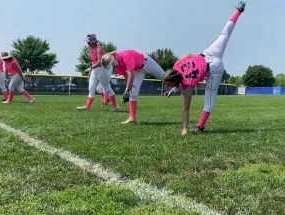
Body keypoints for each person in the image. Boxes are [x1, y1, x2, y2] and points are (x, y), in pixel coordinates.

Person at [164, 1, 246, 135]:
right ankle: (239, 11)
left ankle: (200, 126)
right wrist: (174, 88)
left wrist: (184, 129)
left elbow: (186, 108)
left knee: (209, 98)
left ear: (174, 81)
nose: (166, 86)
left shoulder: (188, 86)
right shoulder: (176, 65)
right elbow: (190, 56)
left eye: (168, 85)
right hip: (206, 54)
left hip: (214, 68)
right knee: (224, 35)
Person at [101, 50, 165, 124]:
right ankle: (132, 118)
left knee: (165, 78)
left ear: (114, 58)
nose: (114, 66)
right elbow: (126, 76)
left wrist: (127, 90)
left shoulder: (125, 56)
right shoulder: (117, 65)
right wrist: (130, 88)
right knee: (133, 93)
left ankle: (179, 85)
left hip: (147, 63)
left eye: (112, 64)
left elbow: (131, 73)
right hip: (138, 70)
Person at [77, 34, 119, 111]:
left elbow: (100, 62)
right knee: (91, 88)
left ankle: (115, 106)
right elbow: (94, 61)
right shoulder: (92, 49)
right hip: (95, 71)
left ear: (92, 41)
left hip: (102, 71)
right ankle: (87, 106)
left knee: (107, 88)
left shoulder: (99, 48)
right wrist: (91, 71)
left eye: (88, 42)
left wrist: (91, 67)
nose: (87, 43)